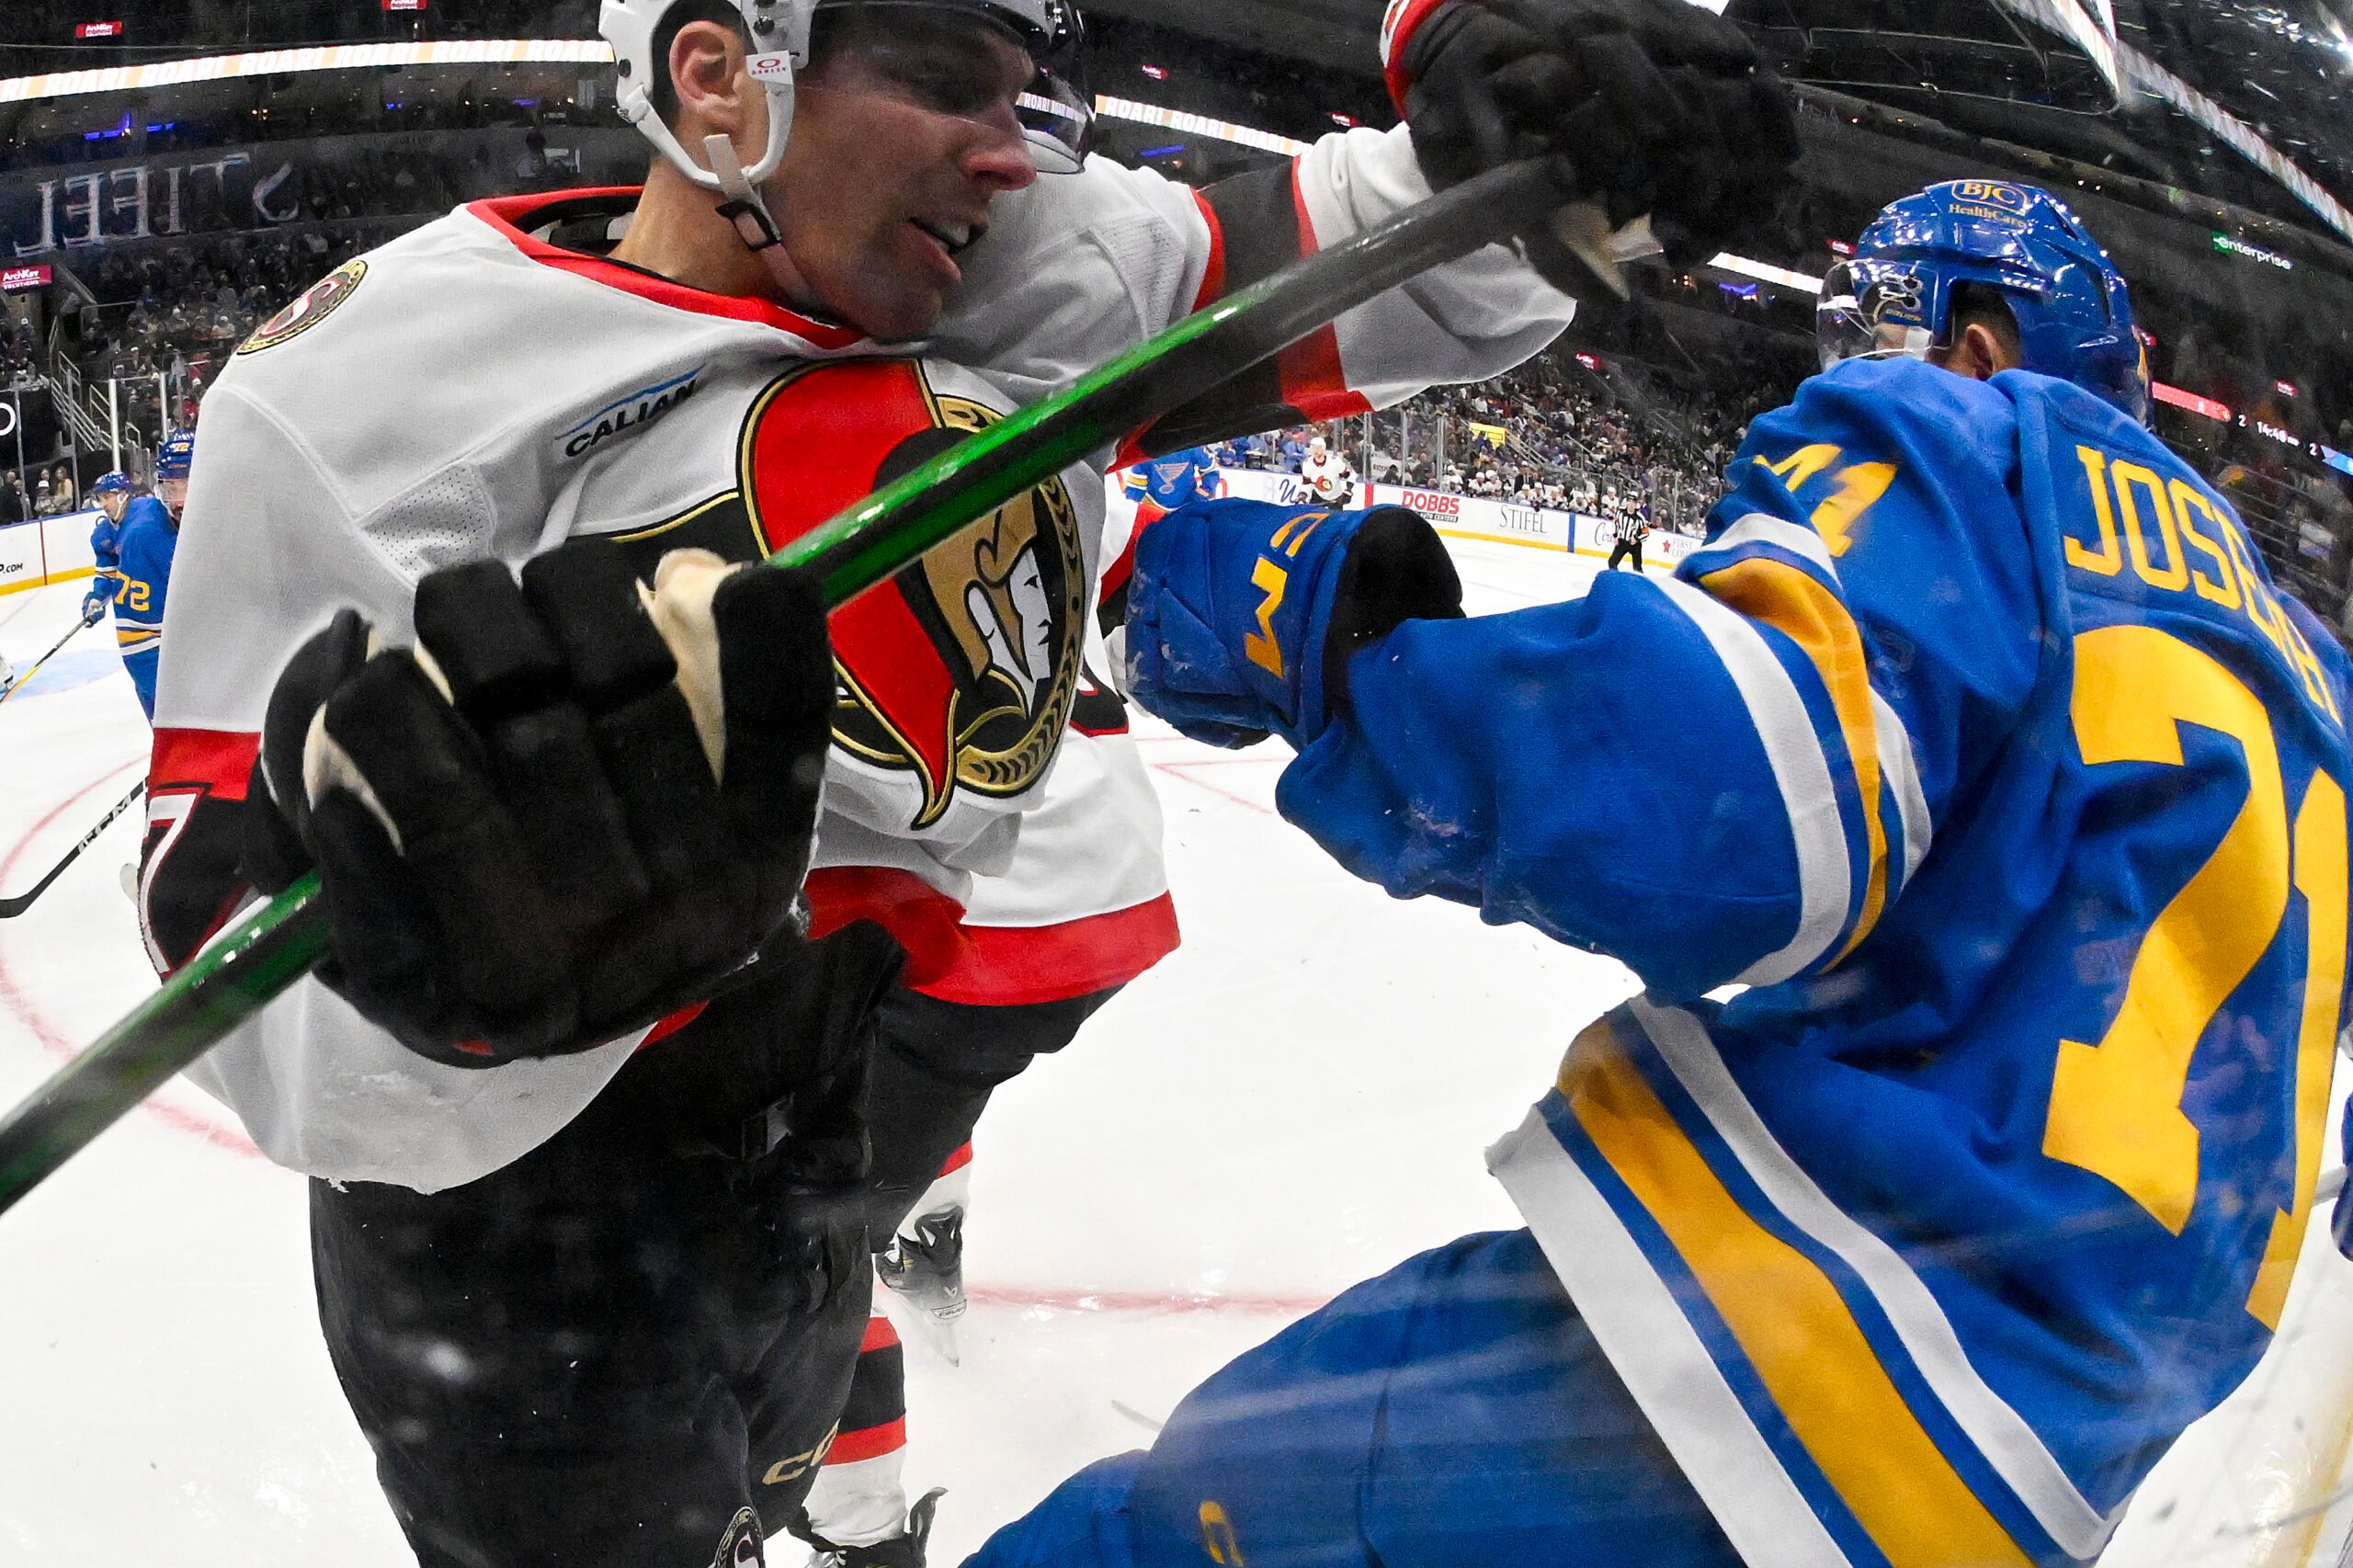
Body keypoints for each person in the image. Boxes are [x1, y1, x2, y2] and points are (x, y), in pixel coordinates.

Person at [138, 3, 1792, 1564]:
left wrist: (1548, 135)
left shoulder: (1019, 268)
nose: (1010, 151)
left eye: (1023, 96)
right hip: (514, 1256)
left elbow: (1390, 257)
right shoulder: (369, 385)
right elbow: (247, 976)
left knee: (774, 1462)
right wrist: (461, 989)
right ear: (721, 74)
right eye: (942, 78)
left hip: (814, 1133)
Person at [970, 178, 2353, 1568]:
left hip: (1798, 1359)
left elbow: (1722, 797)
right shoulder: (2312, 672)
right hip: (2051, 1489)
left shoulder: (1986, 448)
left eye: (1872, 330)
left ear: (1978, 340)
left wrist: (1321, 641)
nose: (1841, 369)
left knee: (1139, 1539)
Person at [109, 437, 187, 720]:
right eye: (171, 487)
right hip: (176, 686)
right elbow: (137, 642)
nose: (178, 500)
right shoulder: (144, 539)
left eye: (188, 485)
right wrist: (180, 704)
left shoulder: (232, 518)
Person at [83, 470, 135, 624]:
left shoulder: (148, 516)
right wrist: (97, 597)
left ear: (123, 494)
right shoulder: (102, 535)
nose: (103, 504)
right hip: (137, 611)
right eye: (100, 499)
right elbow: (108, 574)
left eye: (107, 497)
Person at [1298, 433, 1354, 506]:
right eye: (1313, 447)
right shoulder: (1307, 464)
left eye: (1319, 447)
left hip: (1336, 499)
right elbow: (1307, 483)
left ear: (1324, 448)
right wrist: (1303, 495)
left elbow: (1349, 475)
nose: (1316, 450)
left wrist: (1348, 490)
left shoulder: (1335, 461)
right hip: (1317, 498)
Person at [1604, 501, 1649, 572]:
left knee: (1637, 568)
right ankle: (1616, 577)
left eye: (1633, 503)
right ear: (1627, 503)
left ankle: (1639, 578)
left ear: (1635, 505)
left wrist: (1636, 538)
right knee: (1612, 562)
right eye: (1629, 502)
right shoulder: (1620, 512)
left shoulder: (1640, 517)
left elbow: (1646, 533)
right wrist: (1615, 536)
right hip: (1622, 541)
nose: (1631, 505)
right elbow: (1615, 523)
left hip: (1635, 545)